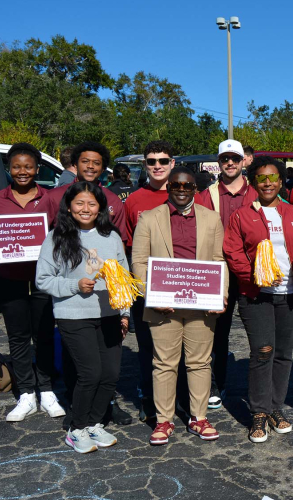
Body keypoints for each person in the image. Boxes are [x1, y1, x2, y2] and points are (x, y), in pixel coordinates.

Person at [132, 166, 227, 445]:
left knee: (199, 362)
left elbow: (219, 260)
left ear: (195, 189)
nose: (182, 190)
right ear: (168, 187)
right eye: (176, 185)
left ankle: (199, 418)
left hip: (202, 304)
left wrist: (220, 295)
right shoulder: (149, 219)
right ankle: (164, 421)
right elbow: (138, 261)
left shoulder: (212, 219)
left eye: (187, 186)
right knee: (164, 363)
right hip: (163, 306)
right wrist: (152, 295)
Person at [35, 182, 130, 453]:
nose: (85, 209)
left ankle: (94, 424)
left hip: (109, 314)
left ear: (100, 207)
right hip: (73, 315)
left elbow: (123, 279)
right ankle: (77, 428)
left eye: (91, 203)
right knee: (90, 373)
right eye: (79, 203)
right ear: (68, 206)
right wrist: (75, 285)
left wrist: (124, 314)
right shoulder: (56, 237)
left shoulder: (111, 237)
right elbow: (43, 279)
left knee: (111, 374)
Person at [0, 143, 64, 423]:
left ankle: (48, 390)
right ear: (9, 168)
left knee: (44, 336)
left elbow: (61, 238)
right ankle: (26, 393)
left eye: (28, 166)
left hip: (42, 281)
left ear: (37, 169)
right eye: (17, 166)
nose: (22, 172)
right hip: (8, 280)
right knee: (17, 337)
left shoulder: (50, 198)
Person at [223, 156, 293, 443]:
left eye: (273, 177)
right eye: (261, 178)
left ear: (281, 181)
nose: (268, 182)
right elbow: (233, 252)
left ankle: (275, 407)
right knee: (262, 350)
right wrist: (253, 276)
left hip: (290, 295)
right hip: (257, 295)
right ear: (254, 182)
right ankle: (258, 411)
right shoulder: (241, 216)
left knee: (283, 354)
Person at [199, 139, 258, 409]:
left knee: (257, 331)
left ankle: (260, 391)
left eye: (235, 158)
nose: (230, 163)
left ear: (244, 160)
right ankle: (215, 385)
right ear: (219, 162)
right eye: (225, 159)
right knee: (216, 332)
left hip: (251, 273)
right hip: (217, 272)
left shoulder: (258, 193)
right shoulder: (206, 195)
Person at [124, 140, 177, 422]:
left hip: (183, 285)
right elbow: (131, 248)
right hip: (148, 286)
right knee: (148, 346)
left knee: (179, 346)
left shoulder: (188, 193)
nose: (157, 166)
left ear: (173, 163)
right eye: (151, 161)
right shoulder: (134, 200)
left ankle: (178, 398)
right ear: (145, 165)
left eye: (163, 161)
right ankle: (148, 396)